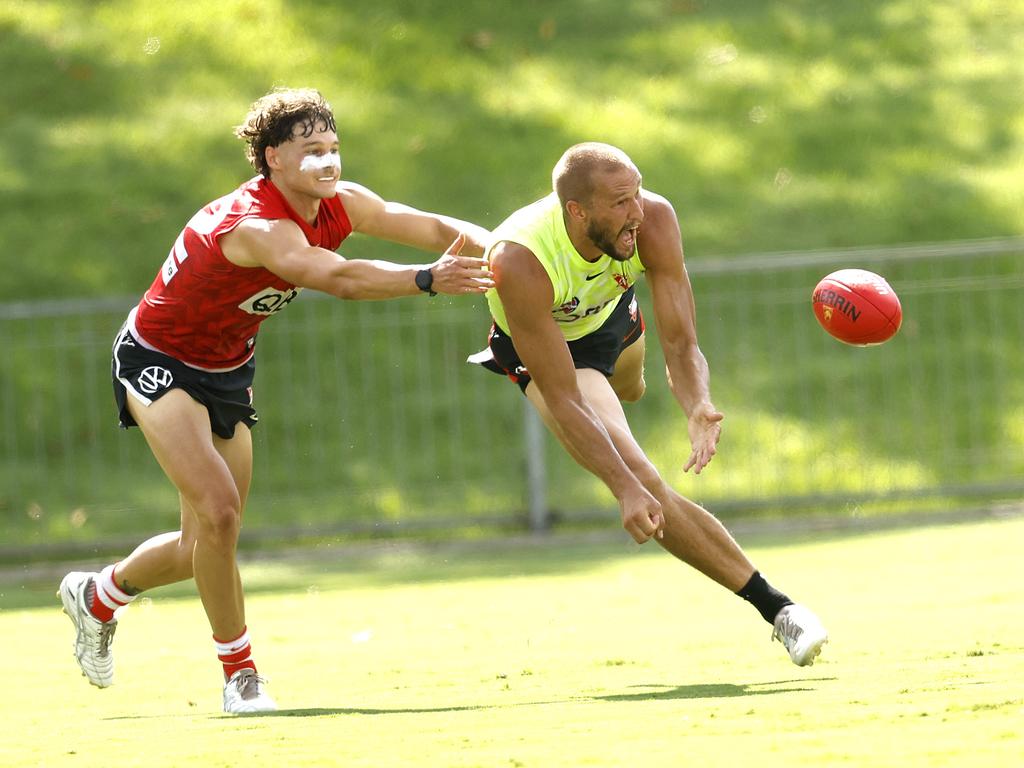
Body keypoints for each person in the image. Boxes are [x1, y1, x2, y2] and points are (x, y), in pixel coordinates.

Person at [58, 87, 493, 714]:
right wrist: (425, 279)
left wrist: (510, 252)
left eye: (334, 147)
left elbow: (429, 226)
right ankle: (241, 678)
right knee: (221, 513)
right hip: (158, 359)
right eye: (311, 149)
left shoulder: (340, 203)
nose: (328, 160)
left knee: (203, 544)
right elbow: (336, 278)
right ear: (272, 159)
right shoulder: (258, 226)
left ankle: (100, 596)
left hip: (227, 368)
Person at [470, 142, 827, 666]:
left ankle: (622, 393)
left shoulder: (652, 219)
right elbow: (567, 398)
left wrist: (697, 404)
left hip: (612, 318)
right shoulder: (519, 260)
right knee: (643, 477)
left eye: (637, 193)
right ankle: (780, 611)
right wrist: (624, 489)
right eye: (620, 202)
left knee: (630, 388)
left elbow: (681, 343)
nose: (636, 211)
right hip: (552, 349)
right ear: (577, 211)